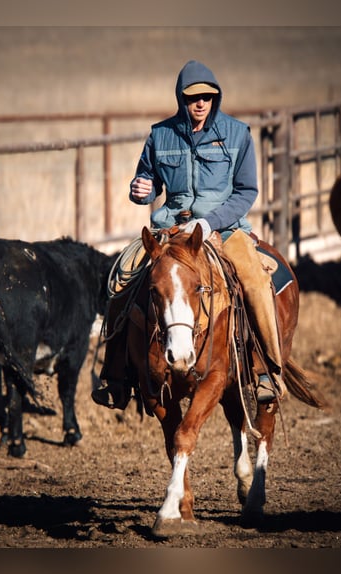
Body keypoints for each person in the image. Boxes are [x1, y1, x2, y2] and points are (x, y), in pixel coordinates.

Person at [91, 59, 287, 410]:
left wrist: (210, 222)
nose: (200, 103)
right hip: (171, 229)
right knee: (122, 278)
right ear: (181, 99)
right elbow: (147, 181)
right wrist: (142, 191)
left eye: (207, 97)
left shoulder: (237, 134)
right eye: (193, 97)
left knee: (255, 283)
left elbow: (246, 192)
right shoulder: (160, 134)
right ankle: (115, 377)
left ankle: (267, 370)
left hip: (224, 229)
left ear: (215, 98)